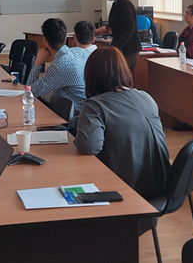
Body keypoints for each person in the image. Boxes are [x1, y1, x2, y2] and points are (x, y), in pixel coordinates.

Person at [73, 47, 171, 199]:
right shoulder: (147, 97)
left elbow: (89, 146)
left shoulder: (95, 106)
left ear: (91, 75)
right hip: (162, 186)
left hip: (124, 189)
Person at [25, 18, 91, 128]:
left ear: (45, 40)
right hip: (88, 116)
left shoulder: (60, 66)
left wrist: (37, 63)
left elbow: (30, 94)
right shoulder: (80, 52)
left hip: (74, 122)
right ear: (65, 37)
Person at [96, 0, 141, 74]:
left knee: (126, 76)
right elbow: (116, 23)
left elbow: (129, 28)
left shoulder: (126, 4)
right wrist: (107, 29)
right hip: (119, 47)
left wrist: (116, 46)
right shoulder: (116, 3)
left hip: (129, 48)